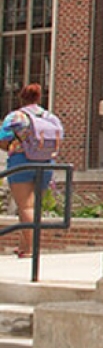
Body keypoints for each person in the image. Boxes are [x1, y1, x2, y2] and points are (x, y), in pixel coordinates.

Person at [0, 84, 56, 258]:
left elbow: (2, 139)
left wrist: (11, 147)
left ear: (21, 98)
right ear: (39, 98)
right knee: (35, 207)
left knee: (25, 206)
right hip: (46, 163)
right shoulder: (49, 116)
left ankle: (32, 249)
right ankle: (24, 246)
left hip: (21, 162)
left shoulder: (16, 116)